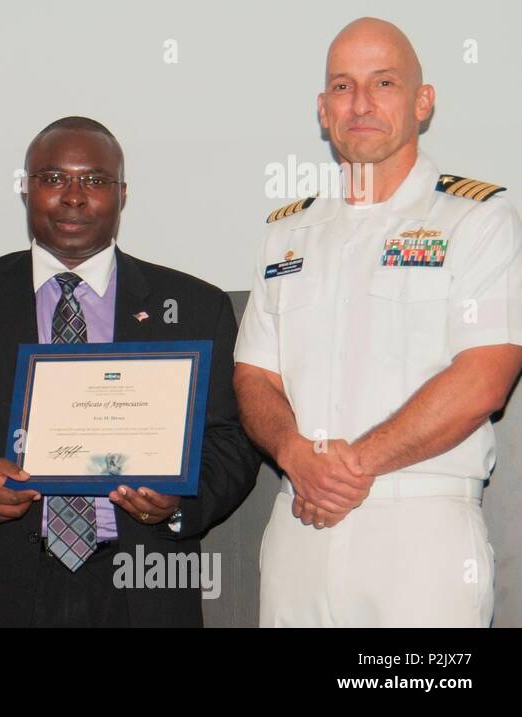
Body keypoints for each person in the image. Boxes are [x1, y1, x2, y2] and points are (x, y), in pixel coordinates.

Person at [0, 117, 260, 627]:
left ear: (122, 194)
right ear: (26, 190)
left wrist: (177, 501)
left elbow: (232, 441)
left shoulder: (193, 306)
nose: (75, 197)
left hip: (140, 590)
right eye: (54, 178)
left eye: (96, 180)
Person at [234, 18, 522, 627]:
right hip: (299, 523)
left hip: (419, 529)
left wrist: (350, 467)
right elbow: (254, 375)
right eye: (343, 86)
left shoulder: (476, 218)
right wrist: (293, 452)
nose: (361, 103)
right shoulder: (286, 232)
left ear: (423, 101)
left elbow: (485, 378)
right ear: (322, 109)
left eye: (383, 82)